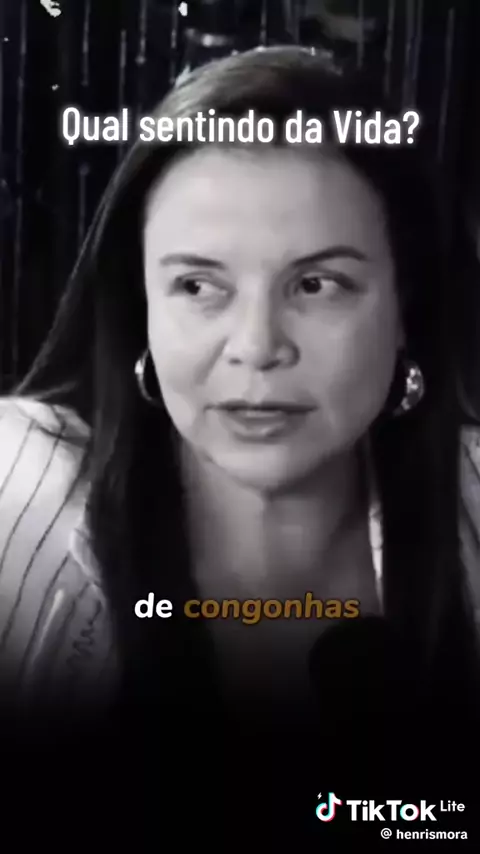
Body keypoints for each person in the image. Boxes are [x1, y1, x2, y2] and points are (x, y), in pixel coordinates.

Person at [1, 45, 480, 840]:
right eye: (198, 286)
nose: (257, 347)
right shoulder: (15, 489)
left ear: (407, 309)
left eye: (317, 285)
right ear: (142, 305)